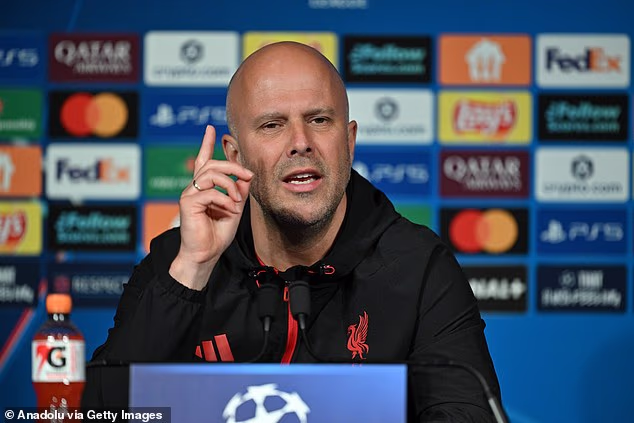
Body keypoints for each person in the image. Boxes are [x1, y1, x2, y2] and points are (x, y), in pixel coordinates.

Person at [82, 41, 502, 422]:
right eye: (272, 125)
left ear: (349, 141)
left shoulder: (417, 266)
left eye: (319, 119)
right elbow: (102, 413)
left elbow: (469, 414)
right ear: (235, 155)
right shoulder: (177, 261)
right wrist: (191, 271)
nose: (300, 142)